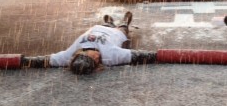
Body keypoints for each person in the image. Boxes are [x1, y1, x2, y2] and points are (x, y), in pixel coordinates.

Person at [22, 12, 156, 75]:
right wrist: (167, 55)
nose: (98, 58)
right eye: (96, 62)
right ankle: (125, 21)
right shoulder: (110, 56)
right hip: (117, 34)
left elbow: (42, 60)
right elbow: (140, 55)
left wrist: (21, 61)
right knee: (123, 28)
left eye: (93, 58)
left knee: (106, 24)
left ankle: (108, 21)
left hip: (97, 28)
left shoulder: (68, 56)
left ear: (83, 53)